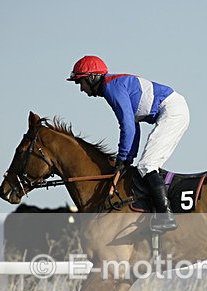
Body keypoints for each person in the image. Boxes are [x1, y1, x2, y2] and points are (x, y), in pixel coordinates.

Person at [67, 55, 189, 232]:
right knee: (145, 166)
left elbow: (128, 126)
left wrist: (123, 158)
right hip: (173, 108)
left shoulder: (111, 88)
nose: (81, 88)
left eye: (81, 82)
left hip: (172, 110)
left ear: (92, 77)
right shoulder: (113, 86)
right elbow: (134, 126)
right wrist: (127, 159)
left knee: (147, 166)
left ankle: (166, 216)